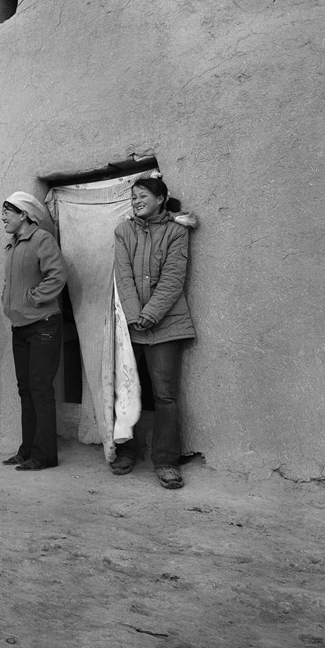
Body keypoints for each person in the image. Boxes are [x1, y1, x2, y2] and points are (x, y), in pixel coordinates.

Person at [112, 176, 198, 489]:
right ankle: (126, 451)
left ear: (160, 199)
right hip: (132, 325)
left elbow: (174, 278)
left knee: (165, 395)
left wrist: (150, 314)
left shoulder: (176, 231)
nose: (136, 201)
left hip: (166, 325)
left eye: (143, 195)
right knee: (126, 390)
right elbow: (123, 276)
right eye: (133, 196)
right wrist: (136, 315)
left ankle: (165, 462)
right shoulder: (124, 231)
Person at [0, 191, 68, 471]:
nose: (3, 217)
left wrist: (32, 298)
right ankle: (27, 450)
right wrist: (8, 299)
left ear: (24, 214)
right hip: (20, 326)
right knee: (26, 389)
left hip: (44, 324)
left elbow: (57, 275)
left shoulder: (41, 239)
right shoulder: (12, 245)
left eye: (8, 212)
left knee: (40, 388)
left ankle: (44, 455)